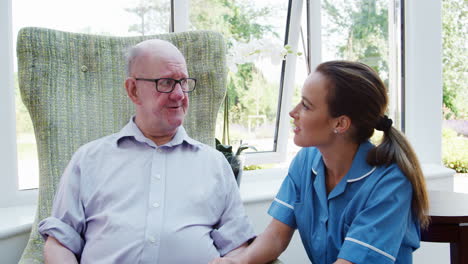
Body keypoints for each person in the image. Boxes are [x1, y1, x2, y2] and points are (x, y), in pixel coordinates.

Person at [38, 39, 255, 264]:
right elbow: (60, 242)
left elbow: (238, 245)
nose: (179, 94)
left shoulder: (215, 163)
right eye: (166, 82)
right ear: (133, 90)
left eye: (183, 82)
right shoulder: (89, 159)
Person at [210, 60, 429, 264]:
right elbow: (276, 235)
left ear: (340, 123)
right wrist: (236, 261)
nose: (293, 112)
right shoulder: (306, 161)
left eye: (306, 105)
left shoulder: (390, 183)